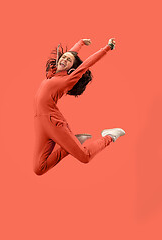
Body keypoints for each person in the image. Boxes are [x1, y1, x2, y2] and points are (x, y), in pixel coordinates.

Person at [33, 38, 125, 176]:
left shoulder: (68, 79)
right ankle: (72, 143)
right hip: (40, 123)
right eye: (63, 58)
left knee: (85, 157)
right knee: (39, 169)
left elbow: (87, 63)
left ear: (71, 69)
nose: (64, 60)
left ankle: (110, 136)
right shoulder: (52, 74)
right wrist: (80, 43)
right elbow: (70, 54)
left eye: (68, 61)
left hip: (54, 123)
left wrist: (107, 48)